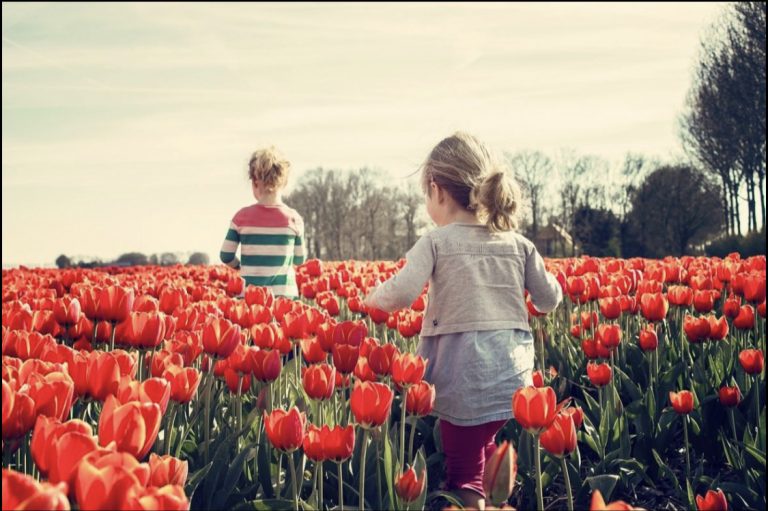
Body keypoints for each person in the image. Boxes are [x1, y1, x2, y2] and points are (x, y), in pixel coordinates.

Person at [364, 132, 562, 510]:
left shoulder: (437, 242)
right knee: (485, 447)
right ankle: (493, 500)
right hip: (512, 379)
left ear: (437, 190)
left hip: (463, 378)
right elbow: (549, 299)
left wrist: (371, 298)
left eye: (426, 195)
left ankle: (473, 503)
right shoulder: (518, 244)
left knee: (464, 471)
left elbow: (401, 293)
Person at [220, 146, 306, 298]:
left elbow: (226, 255)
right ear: (285, 183)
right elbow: (300, 259)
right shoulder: (294, 219)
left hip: (250, 296)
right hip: (284, 296)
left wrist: (240, 266)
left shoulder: (241, 217)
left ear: (254, 182)